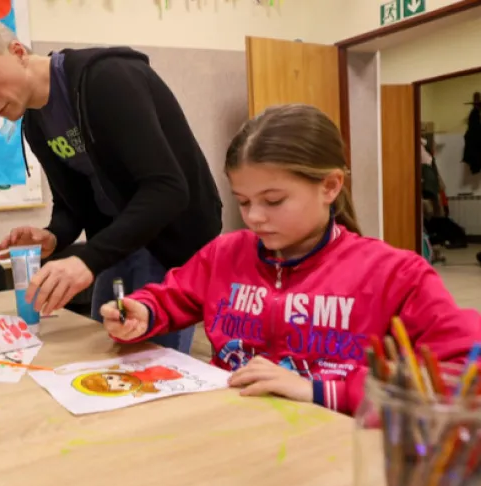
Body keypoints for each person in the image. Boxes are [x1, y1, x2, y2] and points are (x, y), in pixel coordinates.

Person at [99, 104, 480, 415]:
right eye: (243, 201)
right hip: (229, 428)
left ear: (330, 186)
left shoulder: (395, 274)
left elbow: (465, 371)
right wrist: (144, 312)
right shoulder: (225, 253)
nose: (254, 217)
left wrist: (322, 391)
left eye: (273, 200)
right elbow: (176, 295)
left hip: (329, 447)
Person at [0, 15, 222, 353]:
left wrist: (87, 260)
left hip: (169, 240)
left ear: (17, 52)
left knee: (153, 366)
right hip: (117, 244)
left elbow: (167, 189)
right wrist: (55, 235)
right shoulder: (36, 123)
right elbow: (74, 204)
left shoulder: (107, 79)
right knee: (105, 354)